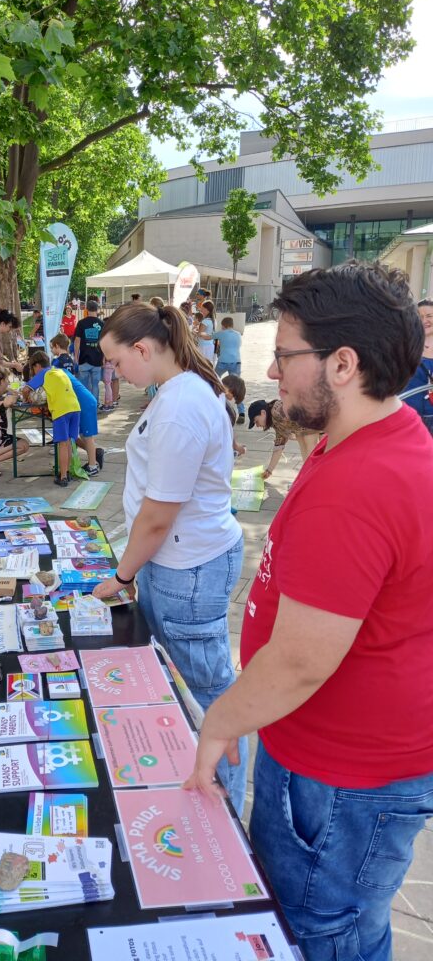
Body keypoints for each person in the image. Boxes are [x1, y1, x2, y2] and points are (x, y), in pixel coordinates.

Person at [185, 261, 433, 961]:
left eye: (287, 355)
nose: (271, 372)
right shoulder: (383, 435)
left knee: (325, 930)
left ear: (344, 364)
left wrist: (222, 719)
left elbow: (298, 662)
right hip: (347, 764)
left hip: (342, 781)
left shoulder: (359, 483)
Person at [92, 301, 246, 814]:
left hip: (188, 568)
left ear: (143, 348)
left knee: (206, 693)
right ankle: (200, 788)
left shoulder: (180, 405)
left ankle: (225, 807)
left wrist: (122, 573)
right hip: (179, 563)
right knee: (184, 683)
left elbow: (159, 515)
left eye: (116, 362)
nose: (114, 372)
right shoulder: (173, 394)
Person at [25, 349, 104, 476]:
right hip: (82, 401)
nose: (34, 373)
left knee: (87, 436)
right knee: (75, 435)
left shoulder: (46, 372)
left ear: (37, 366)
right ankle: (93, 455)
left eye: (33, 370)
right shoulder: (58, 370)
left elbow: (27, 389)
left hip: (82, 402)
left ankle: (92, 466)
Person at [248, 398, 321, 479]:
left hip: (311, 417)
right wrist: (269, 470)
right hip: (305, 423)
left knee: (310, 451)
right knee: (306, 452)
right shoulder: (274, 419)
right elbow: (279, 446)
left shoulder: (276, 413)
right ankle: (309, 478)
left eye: (256, 421)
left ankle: (314, 479)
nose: (258, 426)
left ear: (263, 413)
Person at [43, 365, 81, 487]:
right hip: (75, 407)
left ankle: (63, 476)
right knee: (69, 442)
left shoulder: (45, 375)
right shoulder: (60, 372)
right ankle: (67, 472)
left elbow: (38, 393)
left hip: (61, 410)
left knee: (62, 444)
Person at [401, 298, 433, 435]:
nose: (424, 320)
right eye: (420, 316)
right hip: (409, 414)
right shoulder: (405, 345)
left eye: (429, 316)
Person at [74, 299, 104, 405]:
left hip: (84, 359)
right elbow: (105, 343)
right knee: (95, 385)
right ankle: (94, 406)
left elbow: (77, 341)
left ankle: (85, 406)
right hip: (97, 359)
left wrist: (76, 357)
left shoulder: (81, 323)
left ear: (86, 309)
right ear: (97, 309)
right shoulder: (102, 324)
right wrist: (104, 358)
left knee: (83, 386)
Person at [222, 374, 247, 456]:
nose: (233, 402)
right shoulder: (228, 411)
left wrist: (235, 446)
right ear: (229, 392)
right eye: (234, 399)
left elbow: (229, 430)